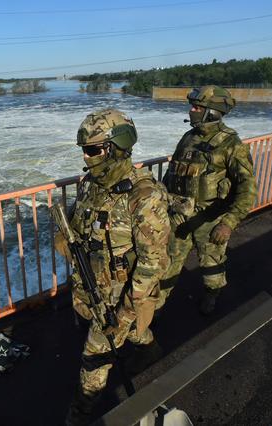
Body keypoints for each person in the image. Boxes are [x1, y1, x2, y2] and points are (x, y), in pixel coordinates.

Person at [56, 109, 171, 425]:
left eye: (92, 149)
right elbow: (81, 220)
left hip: (122, 296)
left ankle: (79, 414)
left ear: (115, 147)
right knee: (132, 335)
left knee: (94, 358)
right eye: (84, 149)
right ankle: (148, 349)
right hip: (91, 284)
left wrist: (122, 314)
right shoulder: (91, 184)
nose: (86, 155)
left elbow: (153, 263)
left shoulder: (143, 195)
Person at [161, 85, 257, 315]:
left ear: (212, 112)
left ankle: (212, 295)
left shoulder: (231, 144)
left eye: (197, 107)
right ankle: (155, 308)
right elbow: (172, 173)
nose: (192, 111)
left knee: (211, 265)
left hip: (210, 219)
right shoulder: (188, 137)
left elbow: (248, 188)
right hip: (180, 217)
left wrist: (229, 222)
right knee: (167, 264)